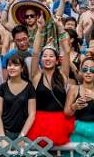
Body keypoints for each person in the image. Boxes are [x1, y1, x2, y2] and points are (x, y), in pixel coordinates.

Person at [27, 16, 74, 146]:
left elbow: (66, 52)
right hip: (39, 124)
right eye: (45, 56)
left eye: (51, 56)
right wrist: (40, 30)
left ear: (57, 59)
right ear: (41, 60)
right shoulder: (36, 75)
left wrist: (60, 28)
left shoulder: (63, 75)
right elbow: (35, 52)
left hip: (59, 123)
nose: (47, 58)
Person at [65, 57, 94, 142]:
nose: (88, 72)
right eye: (85, 69)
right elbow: (66, 113)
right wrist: (74, 107)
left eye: (92, 70)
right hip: (77, 130)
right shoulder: (73, 89)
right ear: (81, 72)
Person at [0, 55, 36, 140]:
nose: (12, 67)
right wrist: (2, 137)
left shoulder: (30, 88)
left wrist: (22, 136)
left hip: (24, 133)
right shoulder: (1, 88)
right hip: (4, 132)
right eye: (9, 65)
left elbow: (32, 114)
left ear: (22, 69)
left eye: (16, 65)